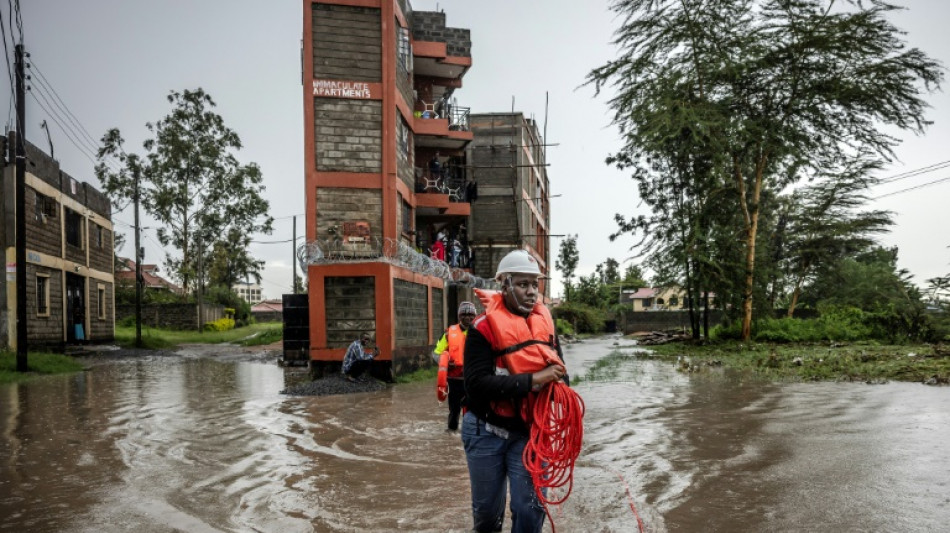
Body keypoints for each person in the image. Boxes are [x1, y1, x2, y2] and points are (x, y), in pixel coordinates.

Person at [462, 250, 567, 533]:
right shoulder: (482, 329)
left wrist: (558, 382)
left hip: (530, 432)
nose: (532, 292)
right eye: (523, 284)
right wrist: (534, 379)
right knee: (487, 515)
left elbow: (562, 376)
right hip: (486, 429)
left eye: (535, 284)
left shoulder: (544, 328)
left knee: (530, 508)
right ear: (504, 285)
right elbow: (476, 384)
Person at [433, 301, 478, 431]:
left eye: (471, 315)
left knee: (473, 412)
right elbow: (436, 354)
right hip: (454, 381)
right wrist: (445, 363)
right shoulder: (448, 334)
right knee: (454, 411)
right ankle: (451, 434)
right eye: (464, 314)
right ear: (459, 316)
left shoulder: (480, 333)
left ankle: (469, 435)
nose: (468, 317)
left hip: (473, 380)